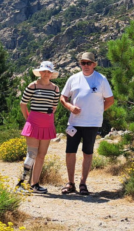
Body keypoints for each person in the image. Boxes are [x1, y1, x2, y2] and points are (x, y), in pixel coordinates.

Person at [59, 52, 114, 195]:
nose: (86, 65)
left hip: (92, 123)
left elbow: (110, 100)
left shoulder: (101, 79)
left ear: (94, 64)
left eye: (89, 63)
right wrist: (70, 107)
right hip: (74, 123)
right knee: (70, 152)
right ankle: (71, 183)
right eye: (83, 63)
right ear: (80, 64)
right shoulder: (73, 78)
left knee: (87, 153)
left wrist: (97, 111)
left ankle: (83, 183)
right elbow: (63, 97)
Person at [18, 61, 60, 194]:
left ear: (51, 73)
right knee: (32, 154)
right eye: (44, 71)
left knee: (42, 155)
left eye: (48, 71)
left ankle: (34, 184)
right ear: (40, 72)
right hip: (34, 122)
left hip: (47, 123)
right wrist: (28, 119)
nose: (46, 73)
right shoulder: (33, 85)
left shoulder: (55, 88)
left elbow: (54, 106)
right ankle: (21, 183)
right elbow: (23, 104)